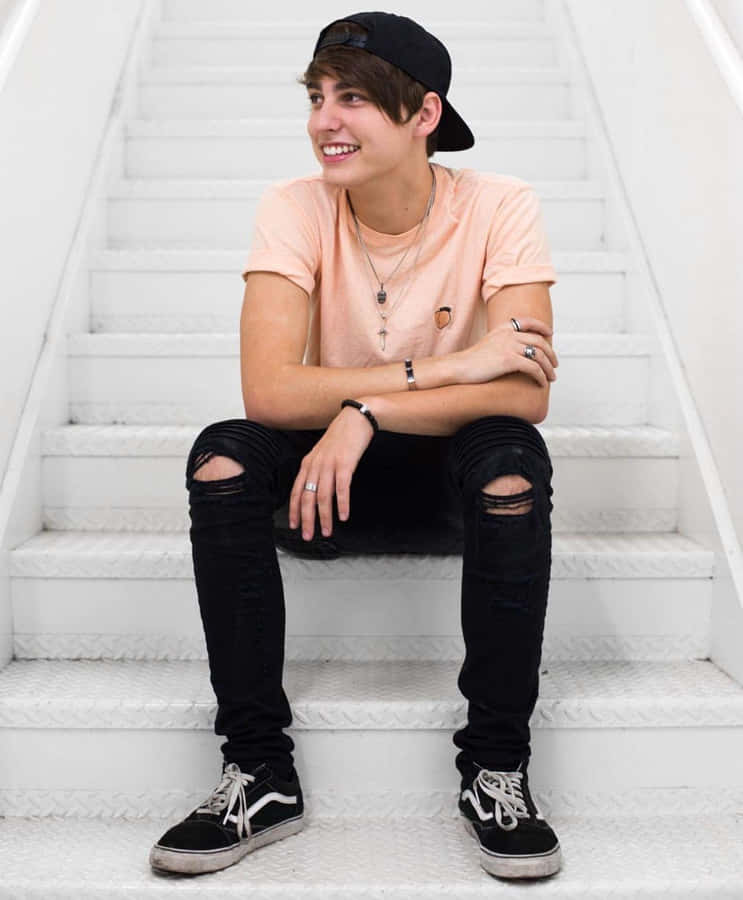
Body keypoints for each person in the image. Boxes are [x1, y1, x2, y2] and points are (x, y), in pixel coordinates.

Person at [149, 11, 562, 881]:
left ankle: (496, 767)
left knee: (510, 463)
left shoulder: (499, 204)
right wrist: (409, 385)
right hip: (320, 492)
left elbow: (525, 389)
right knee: (222, 455)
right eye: (316, 96)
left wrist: (363, 411)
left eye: (354, 100)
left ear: (422, 115)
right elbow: (267, 391)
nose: (324, 121)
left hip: (450, 488)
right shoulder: (293, 207)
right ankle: (259, 770)